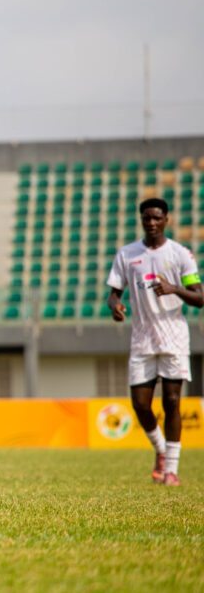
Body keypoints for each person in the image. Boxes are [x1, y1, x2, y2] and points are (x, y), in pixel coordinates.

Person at [106, 197, 202, 486]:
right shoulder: (127, 254)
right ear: (141, 219)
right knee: (140, 404)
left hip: (173, 337)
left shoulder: (180, 254)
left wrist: (174, 289)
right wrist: (115, 306)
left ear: (166, 220)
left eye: (157, 218)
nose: (151, 222)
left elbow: (199, 297)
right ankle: (160, 449)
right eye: (147, 217)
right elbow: (113, 292)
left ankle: (171, 470)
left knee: (172, 402)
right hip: (142, 338)